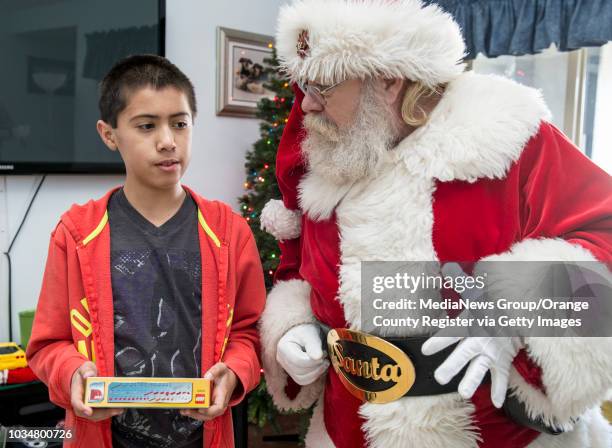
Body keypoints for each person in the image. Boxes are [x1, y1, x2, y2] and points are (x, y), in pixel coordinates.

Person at [258, 0, 612, 447]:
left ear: (388, 79)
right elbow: (302, 270)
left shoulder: (504, 136)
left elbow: (605, 239)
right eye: (302, 85)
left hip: (493, 432)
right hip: (347, 430)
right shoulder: (332, 156)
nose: (306, 104)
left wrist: (513, 314)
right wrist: (296, 325)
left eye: (323, 86)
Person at [26, 54, 265, 448]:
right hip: (102, 438)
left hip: (204, 438)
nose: (168, 140)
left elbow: (249, 332)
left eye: (180, 123)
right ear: (109, 134)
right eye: (147, 126)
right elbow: (48, 344)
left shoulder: (229, 232)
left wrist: (236, 372)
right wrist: (73, 375)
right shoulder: (76, 232)